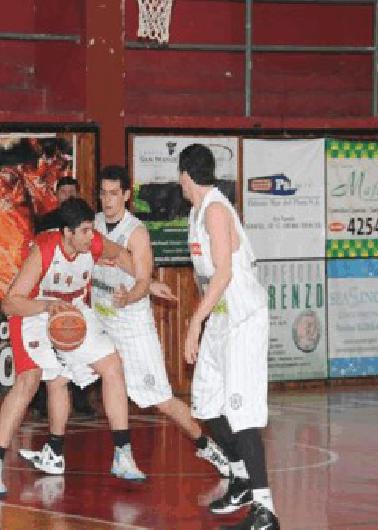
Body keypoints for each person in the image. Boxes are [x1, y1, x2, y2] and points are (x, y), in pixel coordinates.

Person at [21, 165, 231, 477]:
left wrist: (132, 295)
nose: (107, 200)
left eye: (114, 194)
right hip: (97, 318)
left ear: (127, 195)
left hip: (131, 325)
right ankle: (58, 451)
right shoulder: (90, 228)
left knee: (161, 400)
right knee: (60, 378)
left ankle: (207, 446)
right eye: (103, 193)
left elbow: (143, 279)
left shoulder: (136, 232)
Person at [0, 197, 147, 497]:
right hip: (32, 313)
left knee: (111, 366)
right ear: (66, 233)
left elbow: (122, 255)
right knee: (30, 381)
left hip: (71, 312)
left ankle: (120, 454)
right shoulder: (43, 251)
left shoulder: (92, 243)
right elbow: (9, 303)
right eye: (83, 231)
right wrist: (47, 305)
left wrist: (145, 281)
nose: (90, 236)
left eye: (91, 230)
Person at [179, 144, 279, 529]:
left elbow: (223, 275)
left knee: (242, 414)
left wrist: (192, 323)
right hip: (221, 319)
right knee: (205, 405)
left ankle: (265, 510)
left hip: (243, 322)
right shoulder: (196, 212)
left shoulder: (217, 211)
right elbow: (205, 276)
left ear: (185, 175)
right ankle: (239, 477)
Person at [29, 176, 97, 418]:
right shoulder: (45, 222)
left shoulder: (87, 229)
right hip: (46, 293)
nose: (68, 195)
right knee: (44, 352)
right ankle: (41, 404)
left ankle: (81, 400)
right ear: (56, 195)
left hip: (74, 292)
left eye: (72, 191)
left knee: (77, 343)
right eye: (64, 191)